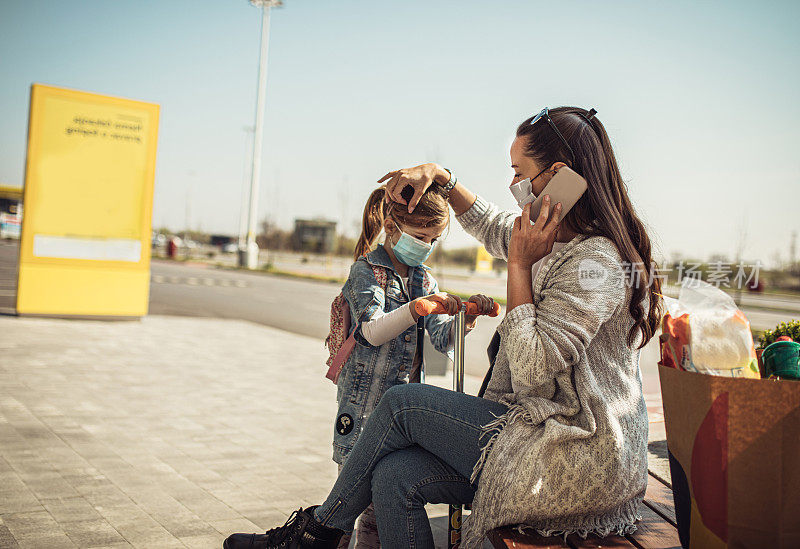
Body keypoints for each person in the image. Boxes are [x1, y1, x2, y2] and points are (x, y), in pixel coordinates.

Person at [223, 106, 664, 549]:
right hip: (537, 434)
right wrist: (443, 179)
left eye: (519, 173)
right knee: (394, 476)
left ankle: (315, 536)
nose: (512, 187)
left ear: (559, 177)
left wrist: (518, 266)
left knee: (400, 404)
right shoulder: (554, 239)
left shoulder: (596, 262)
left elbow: (532, 370)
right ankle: (316, 536)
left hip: (577, 453)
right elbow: (492, 224)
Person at [326, 183, 495, 549]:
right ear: (391, 227)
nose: (427, 247)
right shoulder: (366, 271)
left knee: (378, 520)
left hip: (402, 423)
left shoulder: (424, 279)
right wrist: (416, 308)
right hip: (365, 410)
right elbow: (370, 330)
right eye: (421, 237)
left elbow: (441, 341)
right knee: (349, 508)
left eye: (434, 240)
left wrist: (466, 318)